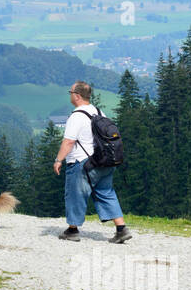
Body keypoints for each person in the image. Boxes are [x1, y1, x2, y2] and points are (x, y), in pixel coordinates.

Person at [53, 81, 132, 243]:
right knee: (107, 193)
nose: (70, 95)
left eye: (71, 92)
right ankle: (121, 229)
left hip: (82, 163)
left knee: (75, 195)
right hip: (103, 161)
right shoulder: (98, 112)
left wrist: (58, 160)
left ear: (77, 96)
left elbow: (68, 142)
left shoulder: (76, 116)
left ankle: (72, 230)